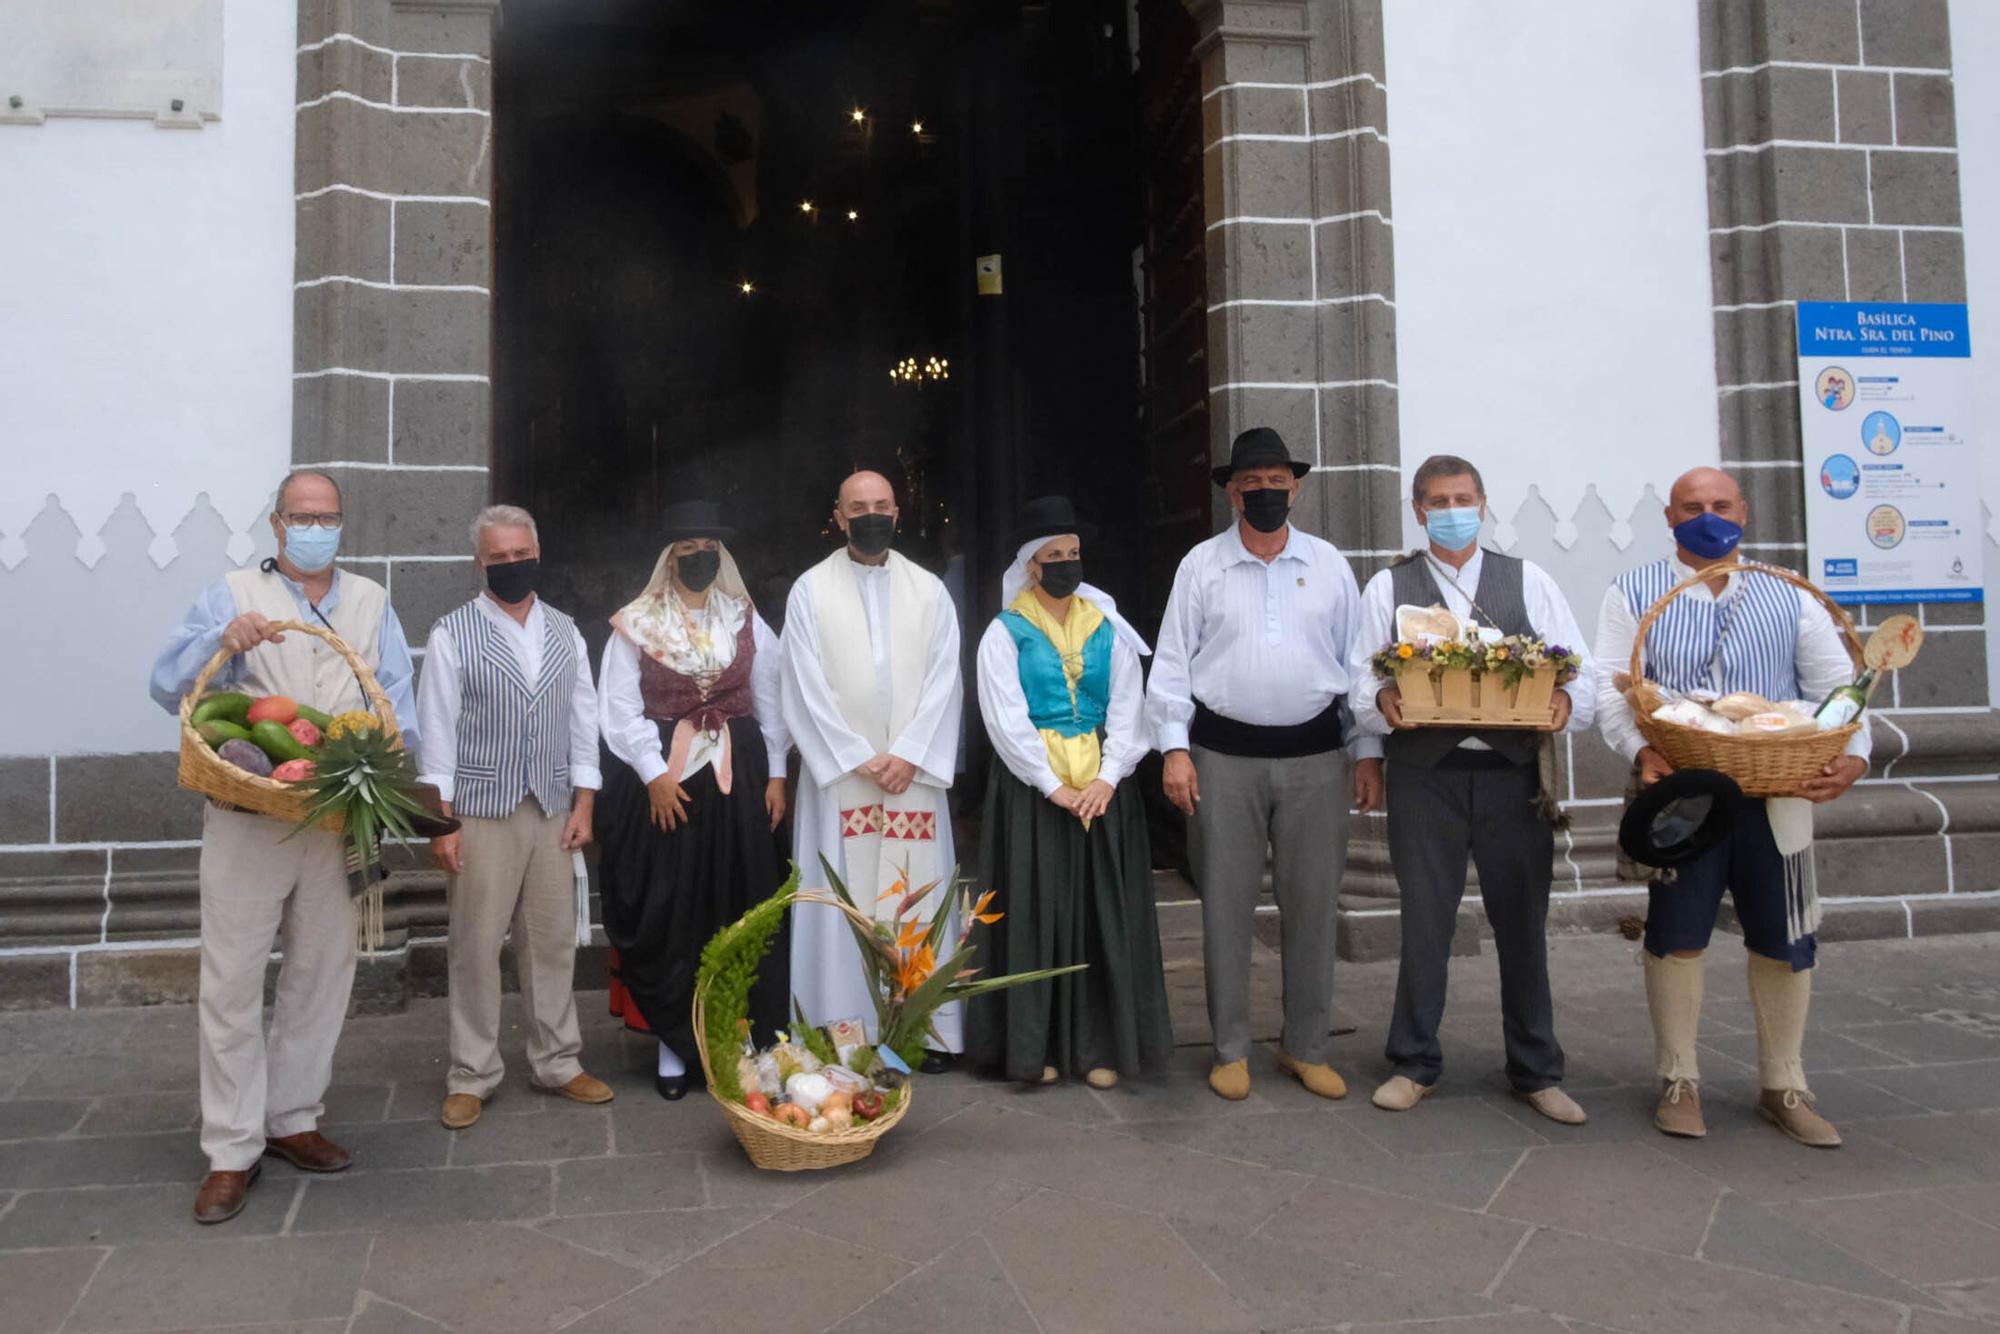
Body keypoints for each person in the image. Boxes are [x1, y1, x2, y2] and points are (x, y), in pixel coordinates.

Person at [149, 469, 420, 1224]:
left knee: (321, 972)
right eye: (301, 516)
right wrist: (220, 640)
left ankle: (293, 1117)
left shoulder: (370, 601)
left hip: (335, 819)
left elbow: (396, 694)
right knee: (231, 980)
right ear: (276, 525)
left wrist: (387, 777)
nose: (314, 527)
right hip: (249, 815)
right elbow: (169, 683)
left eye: (327, 516)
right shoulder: (231, 594)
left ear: (342, 524)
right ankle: (230, 1149)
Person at [1594, 466, 1870, 1147]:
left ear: (1742, 511)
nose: (1707, 515)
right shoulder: (1634, 593)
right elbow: (1610, 685)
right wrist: (1639, 749)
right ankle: (1679, 1079)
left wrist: (1855, 756)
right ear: (1669, 516)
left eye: (1720, 504)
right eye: (1692, 506)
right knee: (1678, 931)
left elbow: (1841, 689)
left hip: (1777, 787)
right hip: (1687, 795)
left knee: (1785, 936)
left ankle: (1785, 1082)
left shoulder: (1789, 596)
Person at [1348, 456, 1595, 1123]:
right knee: (1425, 921)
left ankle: (1537, 1068)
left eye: (1463, 498)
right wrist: (1383, 703)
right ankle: (1414, 1061)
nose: (1451, 509)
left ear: (1484, 504)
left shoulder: (1529, 580)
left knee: (1523, 924)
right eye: (1437, 500)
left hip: (1512, 776)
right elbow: (1357, 684)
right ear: (1418, 509)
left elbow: (1580, 669)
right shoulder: (1389, 587)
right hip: (1427, 777)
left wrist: (1567, 703)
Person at [1147, 427, 1370, 1102]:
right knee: (1225, 907)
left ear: (1295, 488)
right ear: (1231, 493)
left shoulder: (1329, 564)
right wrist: (1175, 749)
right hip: (1223, 761)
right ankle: (1230, 1047)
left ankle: (1305, 1046)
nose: (1265, 493)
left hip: (1316, 761)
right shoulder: (1201, 567)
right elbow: (1172, 664)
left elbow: (1357, 666)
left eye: (1277, 482)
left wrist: (1368, 751)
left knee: (1311, 907)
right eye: (1251, 484)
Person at [966, 496, 1173, 1087]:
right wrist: (1052, 785)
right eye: (1053, 555)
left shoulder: (1107, 624)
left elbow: (1131, 705)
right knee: (1038, 913)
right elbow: (1003, 718)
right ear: (1031, 566)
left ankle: (1102, 1048)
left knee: (1103, 914)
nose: (1066, 563)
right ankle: (1041, 1048)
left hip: (1105, 791)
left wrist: (1108, 778)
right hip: (1034, 793)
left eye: (1073, 554)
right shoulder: (1005, 633)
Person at [416, 505, 612, 1130]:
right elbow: (437, 732)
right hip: (481, 810)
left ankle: (558, 1060)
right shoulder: (453, 633)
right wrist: (441, 823)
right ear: (480, 563)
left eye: (519, 553)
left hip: (552, 807)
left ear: (537, 551)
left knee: (550, 941)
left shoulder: (565, 630)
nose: (510, 564)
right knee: (475, 944)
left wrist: (585, 801)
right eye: (497, 557)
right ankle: (472, 1072)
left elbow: (585, 720)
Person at [594, 499, 791, 1099]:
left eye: (709, 549)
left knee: (741, 899)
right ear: (669, 559)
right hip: (668, 783)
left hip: (739, 777)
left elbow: (772, 696)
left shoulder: (746, 618)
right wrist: (654, 774)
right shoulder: (636, 622)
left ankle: (746, 1041)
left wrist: (778, 772)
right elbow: (619, 708)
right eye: (687, 551)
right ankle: (674, 1047)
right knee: (673, 907)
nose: (699, 558)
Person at [782, 469, 964, 1067]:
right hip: (843, 782)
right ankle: (842, 1033)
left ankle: (923, 1032)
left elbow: (945, 677)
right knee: (844, 904)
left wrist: (911, 752)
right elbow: (803, 686)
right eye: (858, 506)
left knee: (913, 896)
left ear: (898, 512)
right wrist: (858, 756)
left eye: (881, 504)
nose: (871, 515)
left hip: (910, 778)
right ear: (838, 516)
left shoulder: (929, 590)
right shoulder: (809, 590)